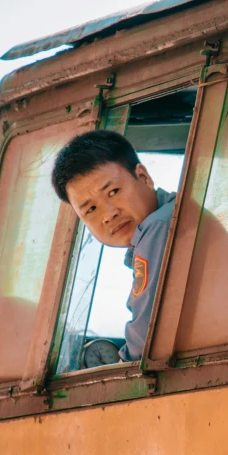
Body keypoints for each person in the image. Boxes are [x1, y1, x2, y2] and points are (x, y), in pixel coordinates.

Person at [51, 130, 176, 363]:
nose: (109, 215)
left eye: (113, 192)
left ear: (144, 177)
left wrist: (122, 366)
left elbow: (146, 338)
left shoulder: (159, 227)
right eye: (90, 210)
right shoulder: (169, 217)